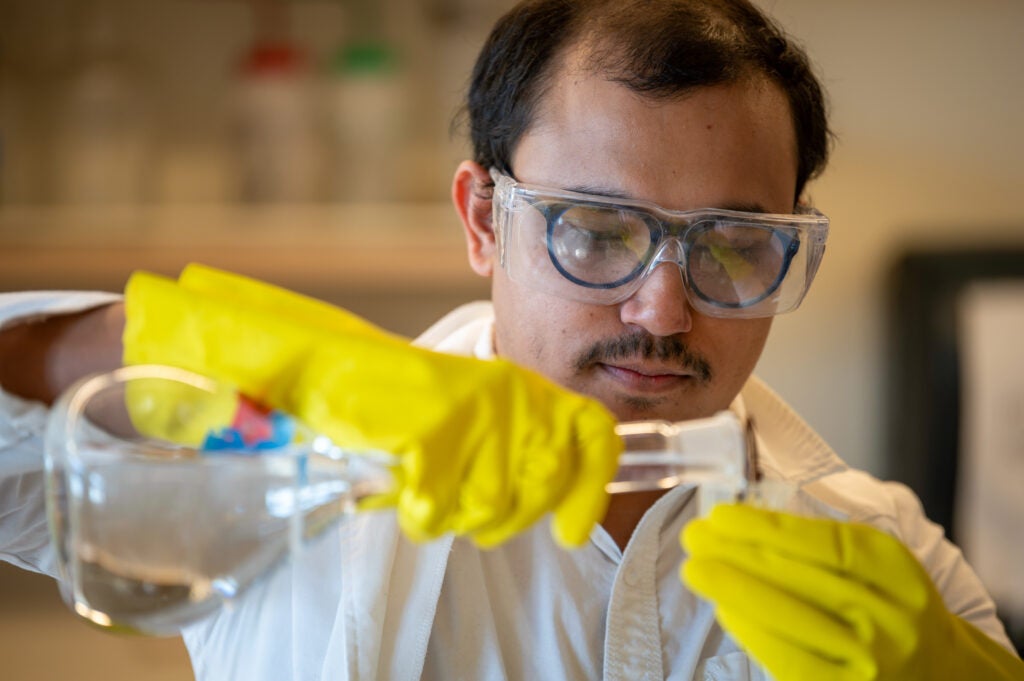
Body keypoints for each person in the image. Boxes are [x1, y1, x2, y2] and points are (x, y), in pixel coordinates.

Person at [1, 0, 1021, 679]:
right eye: (598, 230)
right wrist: (278, 374)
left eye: (735, 244)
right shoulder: (281, 471)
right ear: (484, 221)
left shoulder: (888, 567)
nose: (663, 312)